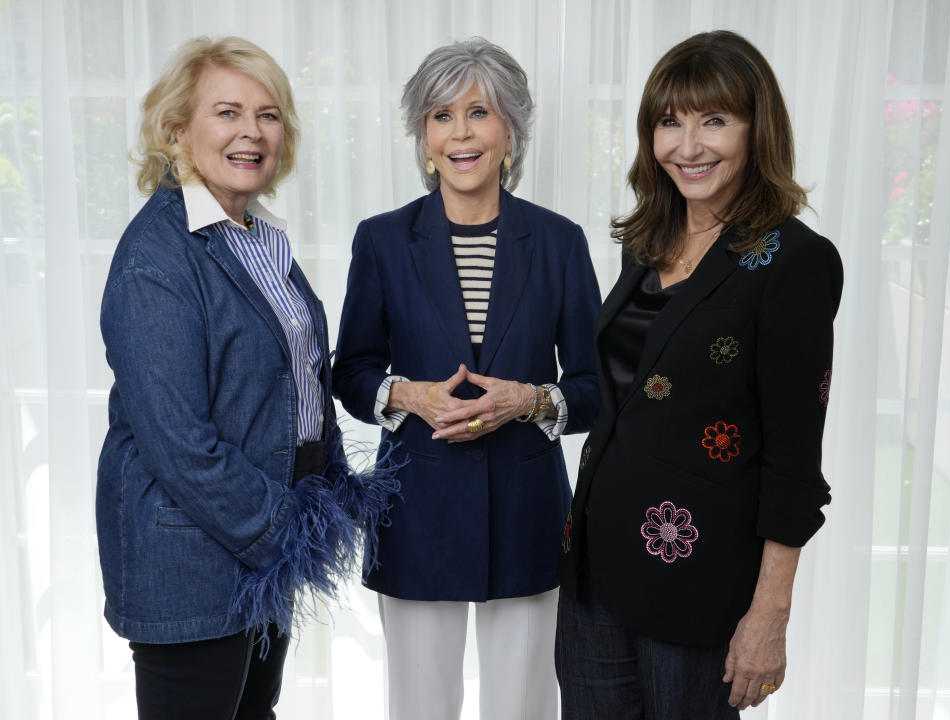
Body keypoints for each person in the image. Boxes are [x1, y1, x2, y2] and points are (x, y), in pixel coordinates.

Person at [96, 36, 398, 720]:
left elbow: (294, 385)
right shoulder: (157, 260)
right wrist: (286, 531)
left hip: (262, 554)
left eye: (267, 115)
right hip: (195, 557)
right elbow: (180, 446)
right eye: (227, 112)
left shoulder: (258, 238)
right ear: (177, 130)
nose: (252, 132)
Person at [555, 30, 843, 719]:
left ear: (755, 128)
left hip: (701, 583)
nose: (688, 146)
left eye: (714, 120)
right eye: (669, 122)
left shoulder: (794, 261)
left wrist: (770, 615)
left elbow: (794, 460)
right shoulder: (645, 242)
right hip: (596, 568)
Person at [333, 37, 601, 720]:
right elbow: (351, 370)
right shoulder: (383, 241)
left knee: (525, 707)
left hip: (528, 514)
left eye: (479, 112)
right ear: (423, 138)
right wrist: (408, 395)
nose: (460, 133)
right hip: (418, 512)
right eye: (441, 116)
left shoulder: (560, 241)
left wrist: (533, 400)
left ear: (510, 130)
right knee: (421, 707)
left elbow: (598, 385)